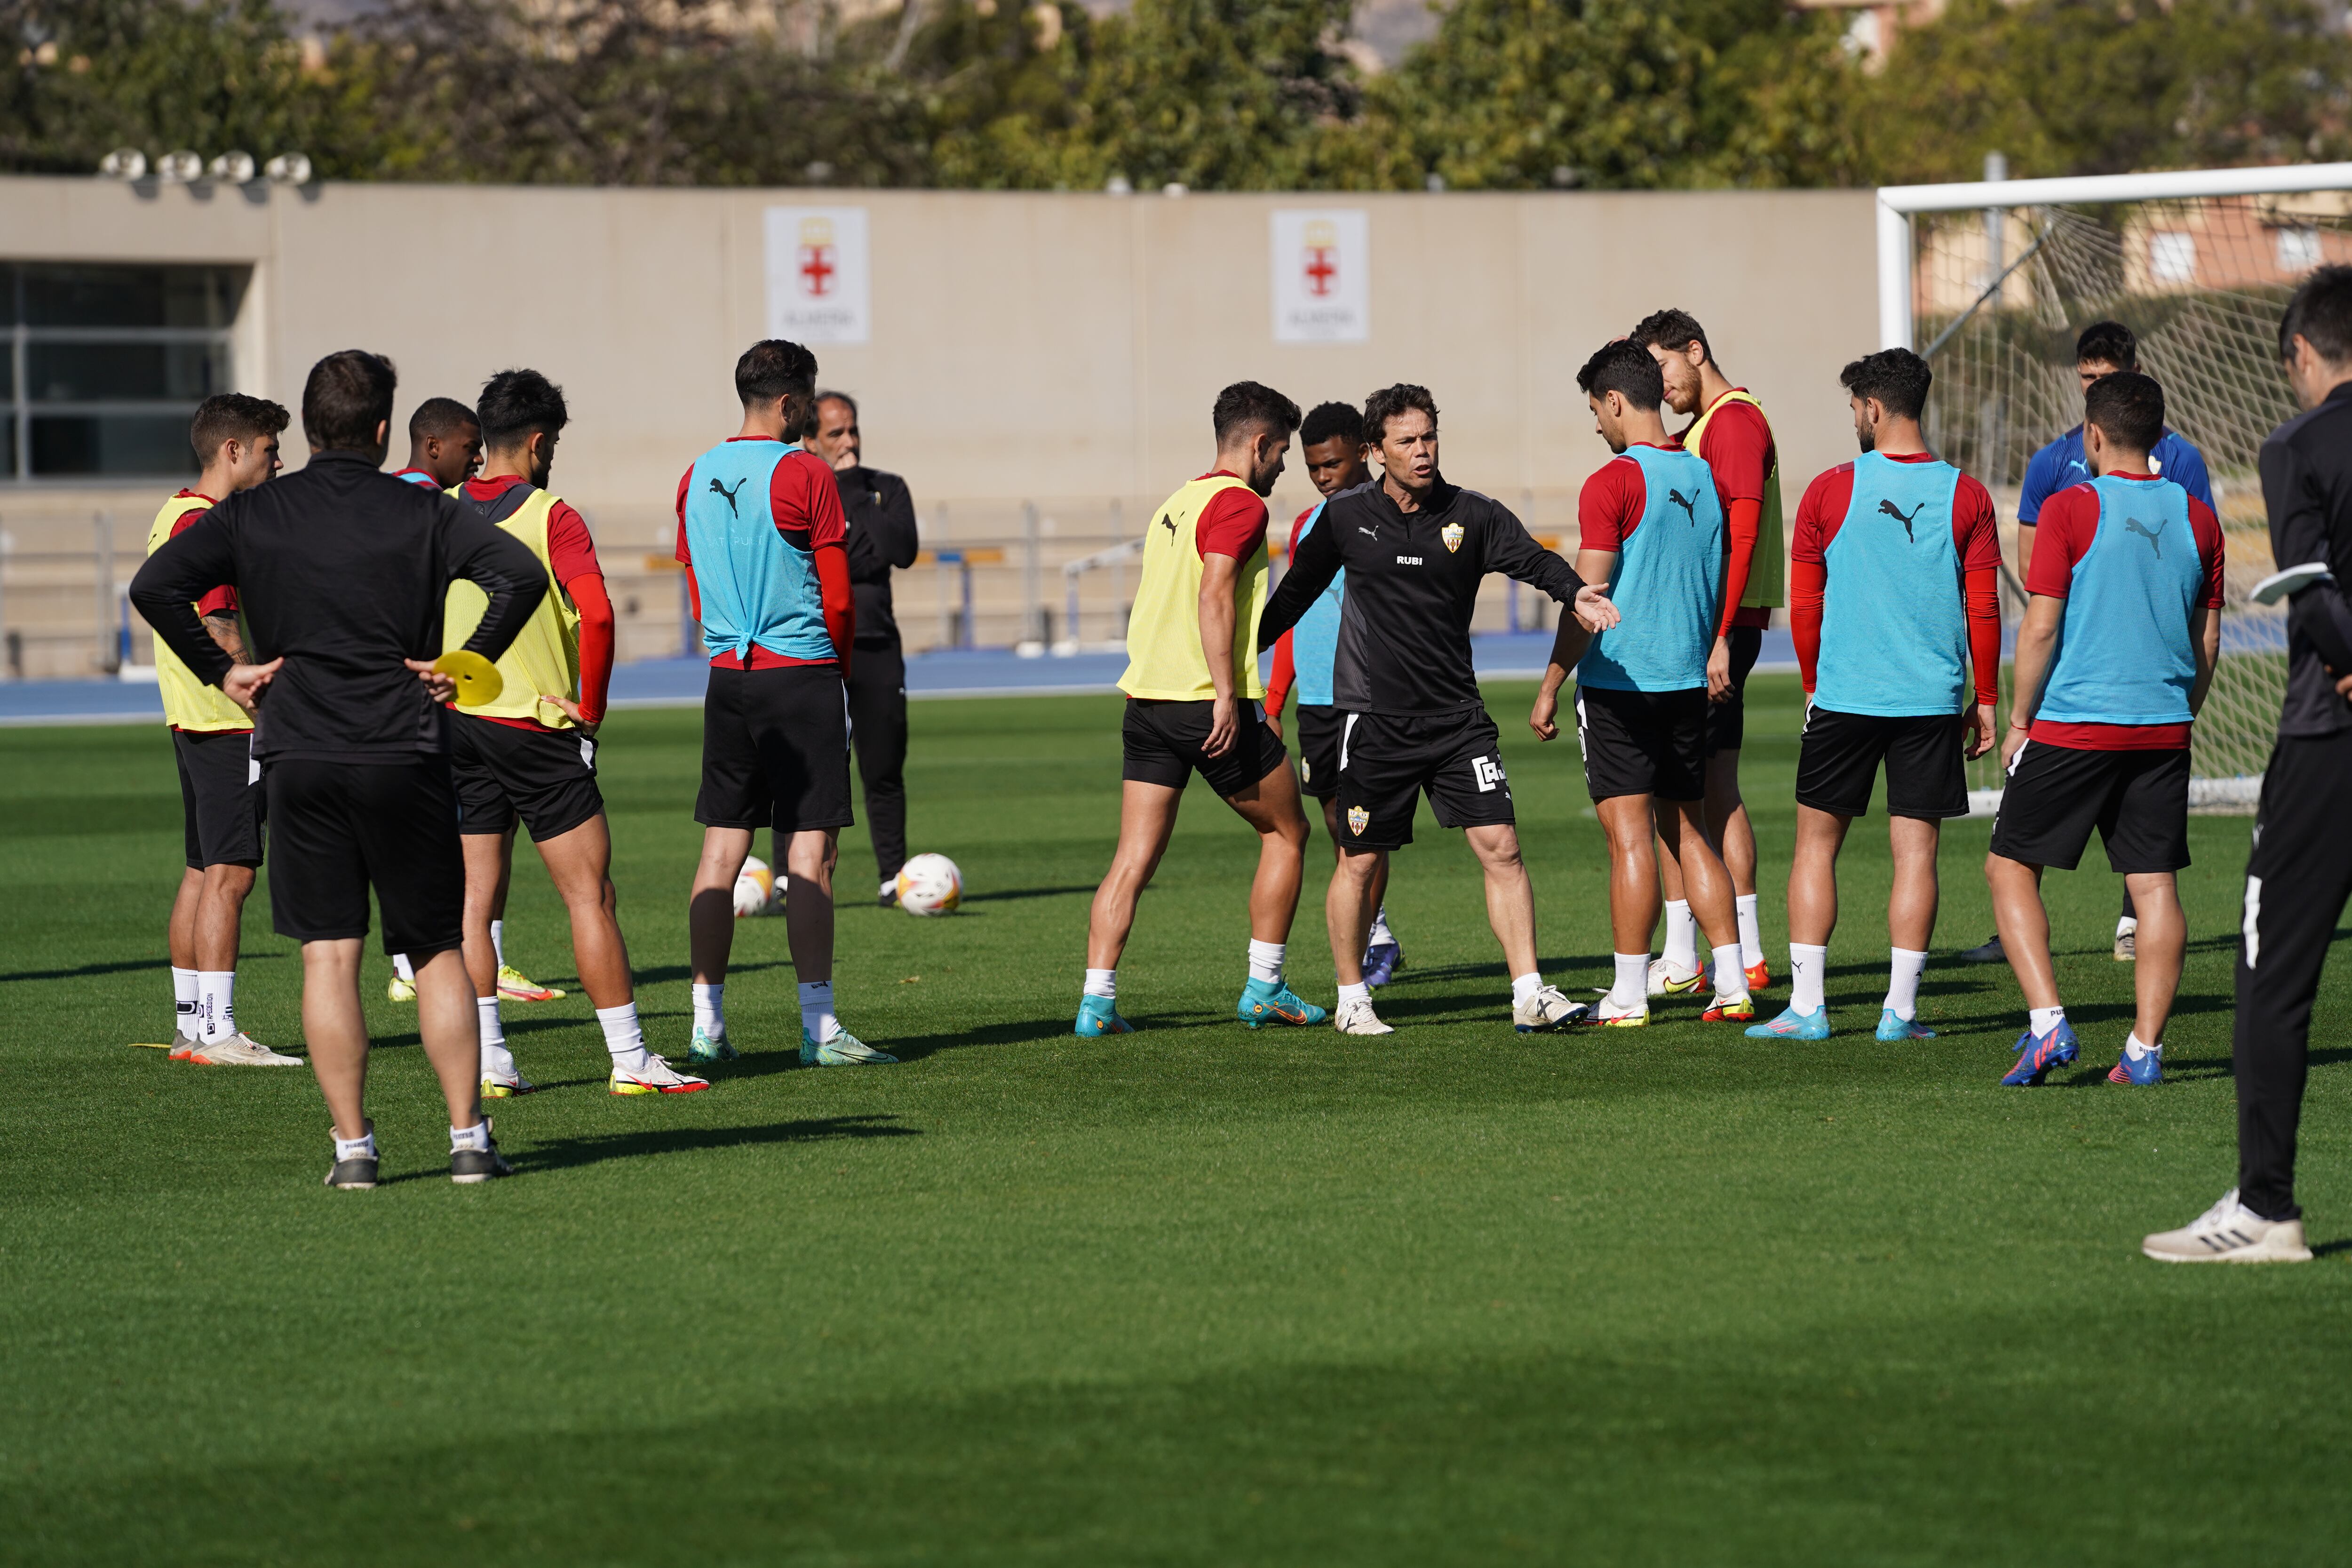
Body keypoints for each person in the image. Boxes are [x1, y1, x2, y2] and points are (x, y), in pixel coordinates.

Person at [131, 349, 548, 1189]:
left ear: (310, 425)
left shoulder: (257, 512)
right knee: (434, 949)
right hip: (403, 748)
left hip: (300, 752)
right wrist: (466, 661)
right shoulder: (421, 510)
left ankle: (354, 1150)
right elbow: (519, 573)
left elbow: (155, 586)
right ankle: (468, 1136)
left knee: (329, 954)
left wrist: (225, 673)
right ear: (386, 428)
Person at [1263, 383, 1615, 1037]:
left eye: (1429, 437)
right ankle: (1351, 998)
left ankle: (1529, 993)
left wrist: (1575, 594)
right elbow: (1292, 599)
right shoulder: (1345, 519)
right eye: (1407, 441)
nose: (1422, 451)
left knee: (1502, 848)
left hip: (1458, 721)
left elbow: (1534, 561)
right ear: (1376, 450)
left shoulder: (1471, 514)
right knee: (1359, 861)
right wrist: (1233, 662)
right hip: (1375, 722)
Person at [2144, 264, 2352, 1264]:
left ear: (2302, 356)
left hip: (2328, 746)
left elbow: (2310, 591)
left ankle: (2265, 1207)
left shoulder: (2297, 443)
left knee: (2270, 975)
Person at [441, 369, 706, 1098]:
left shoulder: (442, 509)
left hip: (459, 723)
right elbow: (598, 615)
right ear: (535, 440)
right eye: (551, 441)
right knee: (589, 895)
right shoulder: (552, 514)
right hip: (535, 723)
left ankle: (492, 1058)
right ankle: (630, 1060)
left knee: (475, 899)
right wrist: (591, 710)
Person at [1745, 349, 2001, 1042]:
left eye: (1854, 405)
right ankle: (1901, 1013)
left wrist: (1810, 684)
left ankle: (1808, 1009)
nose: (1853, 416)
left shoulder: (1830, 490)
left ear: (1874, 408)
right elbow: (1984, 610)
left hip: (1845, 697)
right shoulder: (1968, 495)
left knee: (1814, 849)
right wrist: (1986, 699)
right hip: (1931, 700)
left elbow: (1806, 606)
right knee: (1916, 855)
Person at [1984, 371, 2223, 1088]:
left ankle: (2048, 1025)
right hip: (2164, 726)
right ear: (2159, 435)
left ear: (2092, 434)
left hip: (2077, 723)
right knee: (2154, 889)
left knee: (2009, 867)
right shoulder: (2200, 517)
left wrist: (2019, 719)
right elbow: (2207, 640)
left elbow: (2040, 626)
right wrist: (2182, 710)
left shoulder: (2069, 507)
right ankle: (2144, 1051)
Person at [1077, 382, 1323, 1037]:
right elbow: (1214, 596)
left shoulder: (1179, 501)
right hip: (1205, 704)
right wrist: (1224, 695)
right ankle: (1265, 987)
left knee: (1132, 859)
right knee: (1288, 833)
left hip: (1147, 703)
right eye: (1281, 454)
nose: (1281, 468)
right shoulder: (1241, 506)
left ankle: (1096, 1002)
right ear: (1259, 444)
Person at [678, 339, 892, 1067]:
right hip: (798, 673)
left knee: (720, 851)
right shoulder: (805, 472)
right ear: (791, 404)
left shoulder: (696, 473)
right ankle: (820, 1028)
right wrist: (833, 670)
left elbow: (695, 582)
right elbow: (837, 596)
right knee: (812, 854)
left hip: (726, 673)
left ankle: (706, 1025)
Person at [1529, 342, 1753, 1029]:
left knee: (1630, 840)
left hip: (1622, 683)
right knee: (1691, 830)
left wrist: (1550, 682)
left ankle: (1628, 996)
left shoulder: (1614, 481)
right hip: (1687, 681)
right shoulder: (1704, 477)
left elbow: (1587, 598)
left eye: (1596, 409)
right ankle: (1734, 983)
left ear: (1616, 401)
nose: (1597, 424)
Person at [139, 393, 300, 1067]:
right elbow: (219, 624)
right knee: (231, 875)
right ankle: (219, 1031)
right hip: (226, 722)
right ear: (233, 452)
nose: (278, 461)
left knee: (203, 871)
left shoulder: (172, 512)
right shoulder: (207, 524)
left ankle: (192, 1026)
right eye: (269, 449)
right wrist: (267, 708)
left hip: (192, 718)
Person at [385, 395, 561, 1007]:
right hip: (429, 702)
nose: (478, 459)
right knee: (438, 842)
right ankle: (416, 963)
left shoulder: (412, 500)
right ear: (433, 446)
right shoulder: (426, 505)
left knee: (470, 839)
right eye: (468, 448)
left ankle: (469, 964)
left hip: (430, 701)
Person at [1628, 309, 1781, 997]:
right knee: (1700, 788)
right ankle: (1705, 953)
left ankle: (1723, 953)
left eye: (1662, 367)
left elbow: (1741, 536)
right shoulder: (1706, 427)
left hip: (1716, 631)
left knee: (1692, 793)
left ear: (1696, 350)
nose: (1661, 387)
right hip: (1716, 627)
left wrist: (1718, 633)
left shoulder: (1735, 422)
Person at [1260, 400, 1406, 987]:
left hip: (1367, 699)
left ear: (1364, 455)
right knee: (1334, 820)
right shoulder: (1303, 526)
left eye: (1333, 465)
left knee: (1362, 829)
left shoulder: (1392, 518)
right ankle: (1379, 926)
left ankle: (1372, 935)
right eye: (1313, 467)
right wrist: (1273, 701)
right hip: (1316, 701)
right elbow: (1298, 617)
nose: (1323, 477)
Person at [801, 390, 922, 906]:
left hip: (874, 643)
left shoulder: (885, 487)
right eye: (835, 434)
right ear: (810, 441)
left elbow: (900, 550)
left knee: (883, 763)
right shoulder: (800, 490)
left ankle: (892, 876)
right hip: (816, 644)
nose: (848, 442)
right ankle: (794, 877)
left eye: (852, 431)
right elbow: (825, 565)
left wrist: (850, 487)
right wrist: (856, 545)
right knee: (807, 764)